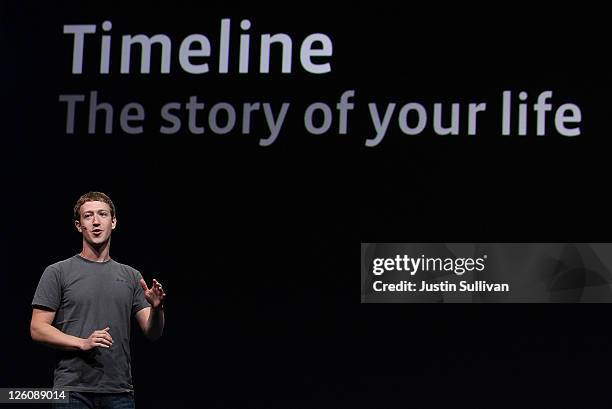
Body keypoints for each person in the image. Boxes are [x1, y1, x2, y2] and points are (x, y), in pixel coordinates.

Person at [30, 191, 166, 409]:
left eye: (102, 214)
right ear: (78, 225)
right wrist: (82, 343)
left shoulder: (131, 276)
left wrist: (157, 309)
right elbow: (37, 328)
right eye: (88, 216)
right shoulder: (58, 272)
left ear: (113, 222)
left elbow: (153, 332)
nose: (95, 222)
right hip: (72, 390)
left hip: (119, 391)